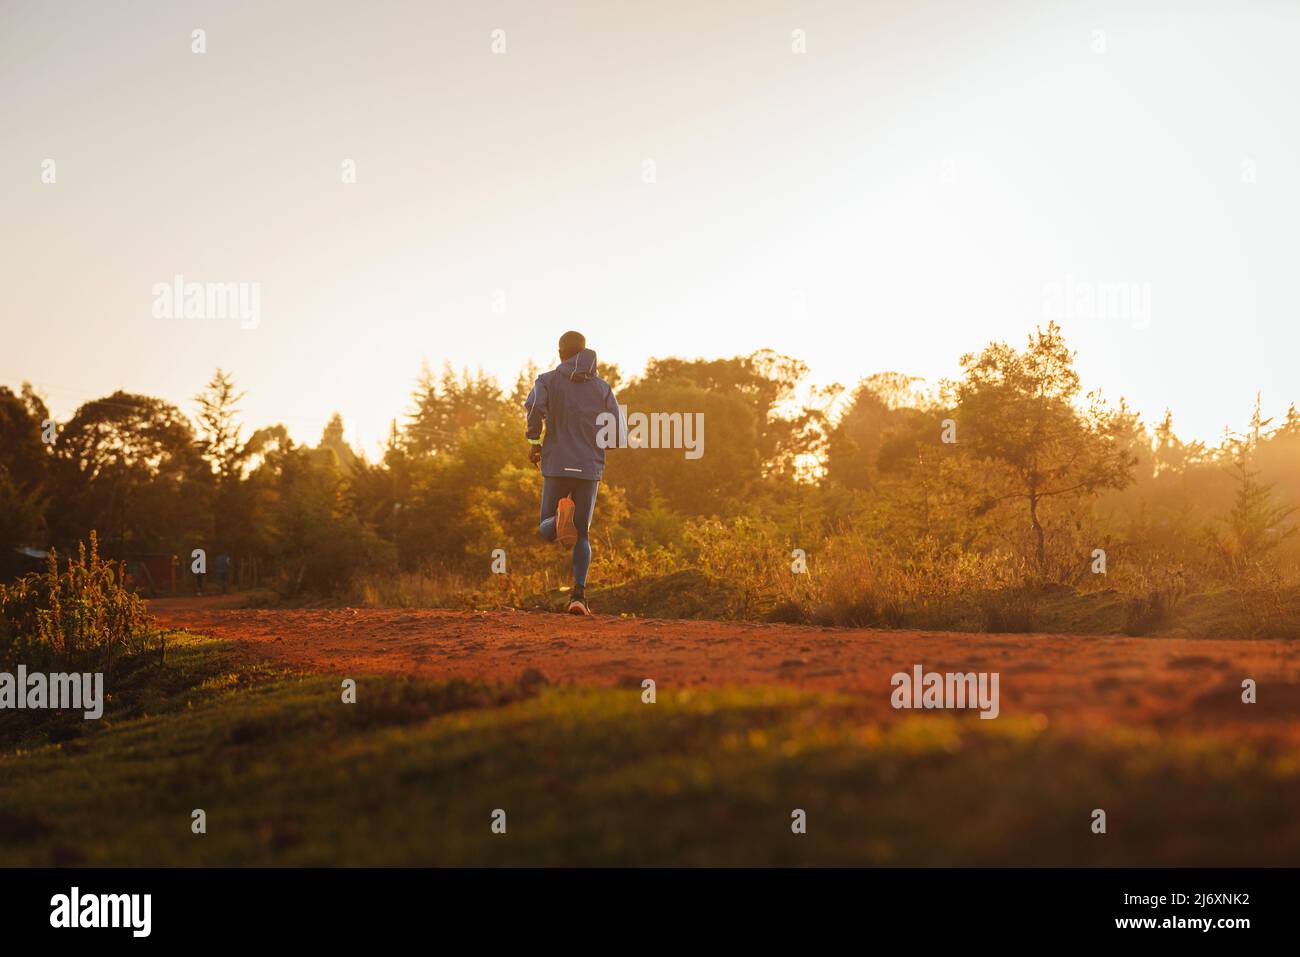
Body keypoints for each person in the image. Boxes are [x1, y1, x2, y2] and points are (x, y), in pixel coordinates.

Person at [525, 330, 624, 615]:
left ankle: (558, 519)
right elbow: (617, 435)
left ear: (560, 353)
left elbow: (534, 408)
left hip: (556, 464)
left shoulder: (546, 380)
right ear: (584, 351)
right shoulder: (603, 388)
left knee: (547, 528)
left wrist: (534, 441)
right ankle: (578, 598)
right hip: (588, 467)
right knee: (581, 534)